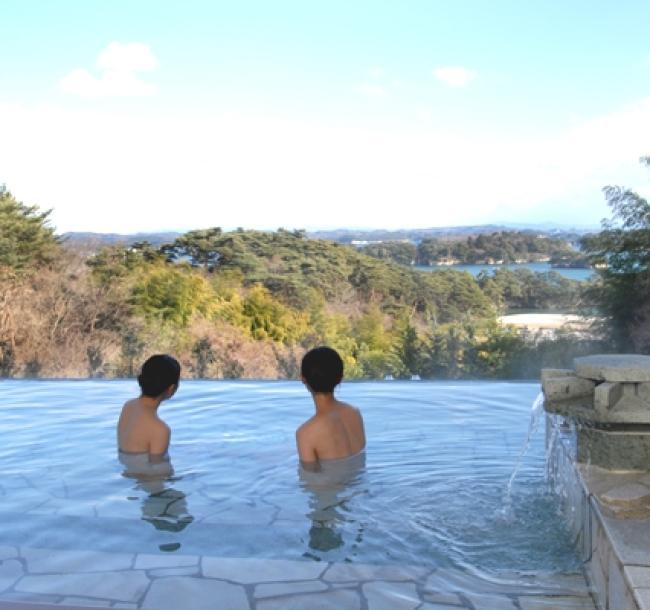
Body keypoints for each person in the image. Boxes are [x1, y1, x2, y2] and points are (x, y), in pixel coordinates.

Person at [296, 346, 366, 472]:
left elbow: (310, 480)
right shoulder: (355, 413)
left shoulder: (306, 433)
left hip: (332, 490)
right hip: (361, 487)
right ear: (340, 378)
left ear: (303, 378)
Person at [117, 354, 181, 477]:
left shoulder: (128, 406)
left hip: (127, 472)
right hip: (149, 482)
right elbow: (159, 470)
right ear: (171, 389)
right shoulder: (160, 430)